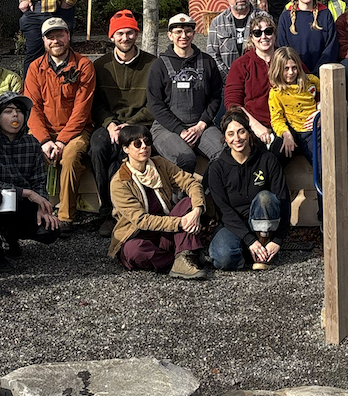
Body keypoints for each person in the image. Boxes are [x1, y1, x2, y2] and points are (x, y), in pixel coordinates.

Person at [24, 17, 96, 232]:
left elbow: (82, 110)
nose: (55, 41)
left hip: (76, 131)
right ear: (44, 40)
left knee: (71, 157)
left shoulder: (84, 65)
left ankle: (65, 217)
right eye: (50, 37)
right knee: (26, 153)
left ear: (68, 36)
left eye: (59, 35)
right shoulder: (35, 68)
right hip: (44, 131)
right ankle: (32, 212)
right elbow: (32, 107)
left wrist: (62, 141)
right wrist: (44, 140)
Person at [107, 123, 206, 278]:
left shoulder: (160, 163)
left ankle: (184, 255)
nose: (144, 147)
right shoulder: (120, 182)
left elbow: (190, 182)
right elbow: (141, 220)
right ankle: (179, 258)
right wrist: (180, 222)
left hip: (165, 231)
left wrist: (197, 210)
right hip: (138, 234)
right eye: (137, 144)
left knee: (188, 203)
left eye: (147, 142)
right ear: (126, 149)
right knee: (134, 251)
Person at [88, 10, 155, 235]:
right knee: (98, 147)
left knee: (126, 151)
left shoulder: (152, 64)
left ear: (136, 34)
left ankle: (127, 211)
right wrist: (109, 124)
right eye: (120, 33)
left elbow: (155, 103)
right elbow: (96, 104)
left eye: (130, 33)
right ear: (111, 37)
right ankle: (107, 211)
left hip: (140, 123)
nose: (125, 38)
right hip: (109, 123)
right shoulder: (101, 66)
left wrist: (131, 124)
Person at [0, 91, 59, 264]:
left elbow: (39, 180)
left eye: (19, 111)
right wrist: (26, 192)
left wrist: (42, 205)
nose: (15, 115)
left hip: (24, 204)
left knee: (50, 230)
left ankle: (10, 236)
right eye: (8, 111)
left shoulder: (32, 143)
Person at [207, 109, 290, 271]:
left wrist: (278, 240)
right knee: (223, 259)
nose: (237, 138)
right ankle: (249, 250)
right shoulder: (217, 168)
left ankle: (263, 250)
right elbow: (223, 210)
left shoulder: (267, 160)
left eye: (241, 132)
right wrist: (249, 240)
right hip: (233, 225)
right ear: (225, 138)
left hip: (263, 223)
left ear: (249, 133)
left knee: (265, 198)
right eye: (231, 134)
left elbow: (284, 200)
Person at [147, 13, 225, 170]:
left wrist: (201, 125)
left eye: (188, 31)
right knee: (185, 159)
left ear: (194, 34)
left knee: (223, 154)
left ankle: (209, 186)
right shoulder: (158, 66)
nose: (184, 36)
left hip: (201, 125)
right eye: (178, 32)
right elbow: (155, 105)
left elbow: (215, 97)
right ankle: (182, 188)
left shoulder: (207, 62)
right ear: (170, 35)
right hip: (167, 128)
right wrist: (180, 130)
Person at [223, 15, 280, 147]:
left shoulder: (286, 58)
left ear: (274, 34)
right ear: (251, 38)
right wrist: (254, 125)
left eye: (268, 31)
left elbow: (308, 84)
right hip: (254, 125)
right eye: (257, 33)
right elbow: (232, 103)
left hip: (287, 122)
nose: (263, 37)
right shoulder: (241, 64)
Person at [276, 0, 339, 74]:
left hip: (322, 74)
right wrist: (301, 71)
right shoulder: (286, 17)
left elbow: (331, 47)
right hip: (295, 74)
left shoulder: (325, 14)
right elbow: (283, 48)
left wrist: (317, 72)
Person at [206, 0, 265, 77]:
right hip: (227, 81)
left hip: (258, 80)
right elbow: (212, 55)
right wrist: (231, 78)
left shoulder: (264, 18)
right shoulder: (217, 23)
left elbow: (272, 51)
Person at [268, 47, 320, 163]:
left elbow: (330, 92)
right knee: (319, 160)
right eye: (286, 69)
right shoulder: (276, 92)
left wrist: (322, 107)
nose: (291, 73)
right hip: (301, 132)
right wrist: (285, 133)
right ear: (278, 70)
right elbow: (277, 119)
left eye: (294, 68)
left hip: (320, 126)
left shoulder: (310, 80)